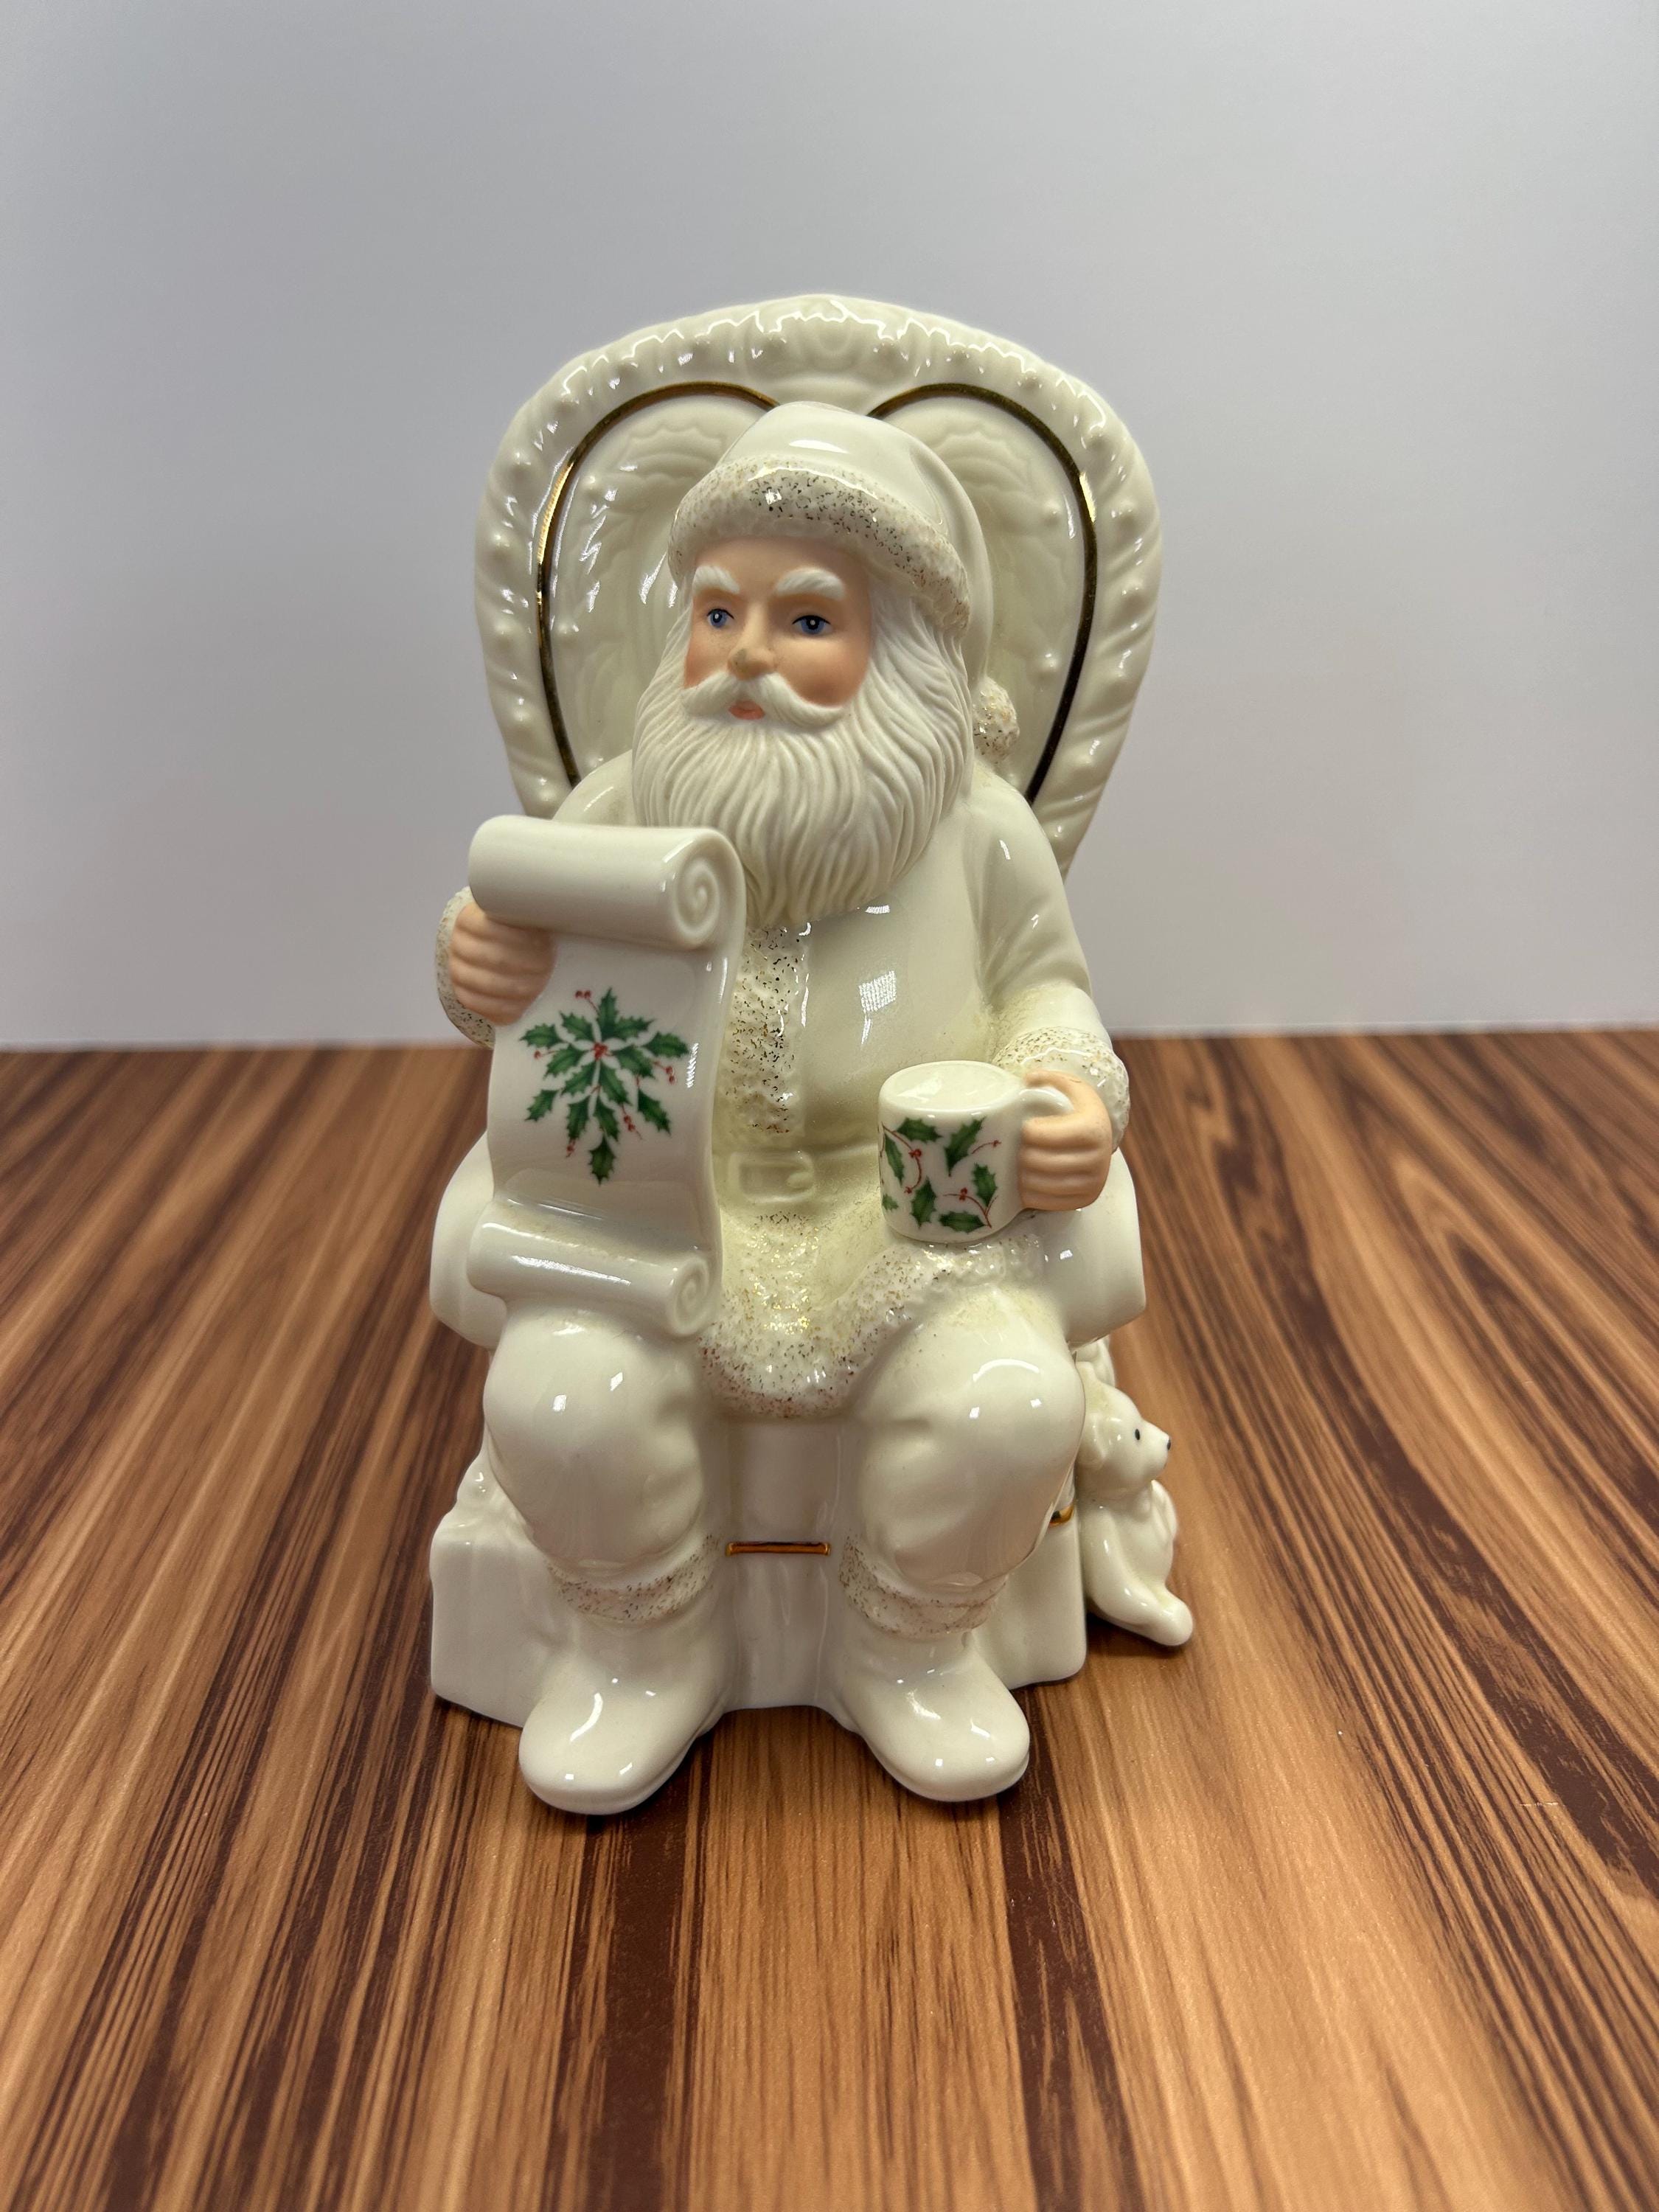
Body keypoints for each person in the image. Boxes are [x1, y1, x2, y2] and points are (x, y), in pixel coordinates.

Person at [437, 404, 1130, 1809]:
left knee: (1004, 1408)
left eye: (806, 619)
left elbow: (1045, 990)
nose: (746, 654)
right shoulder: (619, 813)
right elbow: (518, 946)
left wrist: (1064, 1092)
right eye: (717, 612)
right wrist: (480, 964)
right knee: (564, 1400)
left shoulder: (976, 833)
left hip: (911, 1217)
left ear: (904, 650)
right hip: (658, 1200)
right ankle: (642, 1647)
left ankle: (908, 1646)